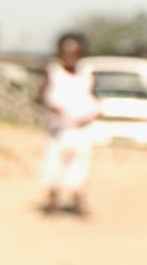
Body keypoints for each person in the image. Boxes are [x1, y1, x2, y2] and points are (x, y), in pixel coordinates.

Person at [39, 33, 102, 217]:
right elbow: (40, 96)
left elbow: (94, 97)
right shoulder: (53, 73)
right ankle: (52, 203)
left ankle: (77, 201)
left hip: (81, 129)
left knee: (81, 167)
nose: (70, 57)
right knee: (53, 166)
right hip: (59, 130)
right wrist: (53, 108)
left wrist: (94, 111)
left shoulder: (87, 74)